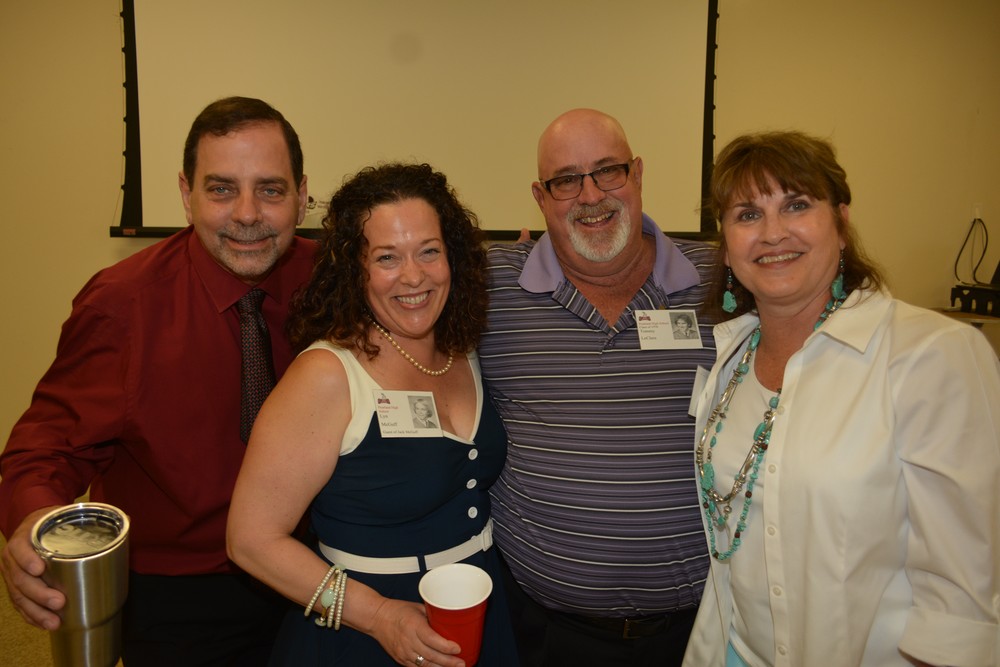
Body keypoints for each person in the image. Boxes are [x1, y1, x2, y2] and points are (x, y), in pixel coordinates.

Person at [0, 96, 316, 665]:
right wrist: (32, 522)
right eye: (221, 189)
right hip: (183, 592)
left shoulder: (332, 282)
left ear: (301, 195)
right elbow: (46, 447)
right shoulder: (122, 306)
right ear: (186, 194)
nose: (247, 213)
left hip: (317, 567)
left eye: (270, 189)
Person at [683, 131, 1000, 667]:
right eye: (748, 214)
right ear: (728, 245)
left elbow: (963, 600)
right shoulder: (731, 360)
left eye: (796, 205)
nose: (773, 233)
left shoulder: (931, 355)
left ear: (841, 223)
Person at [227, 162, 519, 667]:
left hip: (477, 608)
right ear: (354, 269)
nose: (414, 276)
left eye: (429, 251)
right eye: (387, 257)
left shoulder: (463, 350)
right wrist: (379, 616)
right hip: (364, 632)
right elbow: (250, 541)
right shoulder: (327, 374)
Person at [477, 108, 719, 667]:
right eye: (566, 180)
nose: (590, 196)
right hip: (545, 635)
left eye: (608, 171)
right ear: (540, 197)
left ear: (638, 173)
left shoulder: (721, 280)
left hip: (699, 631)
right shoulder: (490, 287)